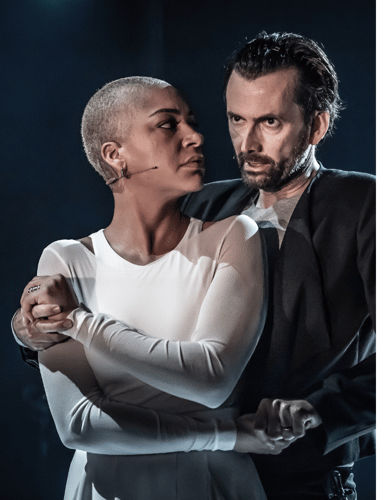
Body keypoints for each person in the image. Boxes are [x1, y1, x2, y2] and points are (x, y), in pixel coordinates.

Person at [15, 32, 375, 500]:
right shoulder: (203, 204)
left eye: (270, 122)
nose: (248, 142)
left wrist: (320, 409)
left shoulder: (365, 205)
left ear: (317, 125)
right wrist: (34, 329)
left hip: (302, 470)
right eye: (236, 119)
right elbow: (118, 283)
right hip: (193, 465)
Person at [15, 76, 280, 498]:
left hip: (213, 487)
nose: (196, 137)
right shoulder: (67, 260)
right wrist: (224, 436)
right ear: (115, 155)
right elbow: (79, 426)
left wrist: (81, 323)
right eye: (168, 125)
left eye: (191, 123)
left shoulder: (235, 236)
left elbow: (211, 381)